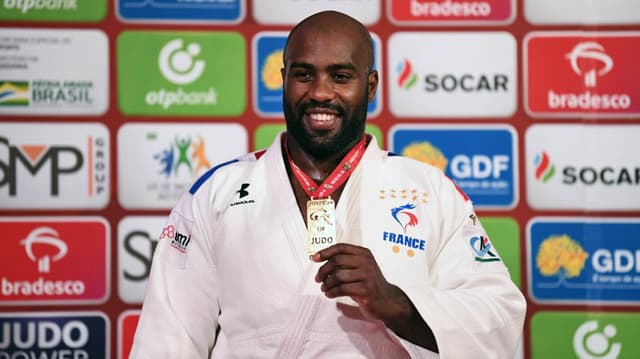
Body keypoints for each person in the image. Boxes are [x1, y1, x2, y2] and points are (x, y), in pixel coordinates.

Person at [130, 10, 526, 358]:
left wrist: (397, 304)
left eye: (340, 77)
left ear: (369, 86)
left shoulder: (428, 191)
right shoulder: (217, 192)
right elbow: (167, 338)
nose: (320, 93)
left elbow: (500, 315)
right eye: (304, 74)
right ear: (283, 80)